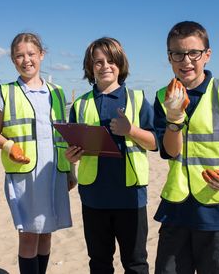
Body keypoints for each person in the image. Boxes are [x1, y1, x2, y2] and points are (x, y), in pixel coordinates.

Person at [65, 37, 157, 274]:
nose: (105, 66)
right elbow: (73, 146)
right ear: (90, 67)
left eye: (110, 60)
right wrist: (72, 156)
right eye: (98, 61)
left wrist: (131, 131)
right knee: (99, 262)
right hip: (94, 196)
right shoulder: (81, 104)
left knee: (136, 263)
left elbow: (155, 143)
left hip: (130, 196)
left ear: (120, 63)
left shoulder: (137, 99)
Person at [0, 32, 77, 274]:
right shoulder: (5, 92)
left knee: (46, 234)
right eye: (19, 55)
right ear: (12, 59)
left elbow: (65, 136)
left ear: (42, 55)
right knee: (28, 235)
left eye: (31, 54)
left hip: (54, 172)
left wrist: (71, 171)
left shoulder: (57, 92)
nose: (26, 60)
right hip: (24, 175)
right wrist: (9, 146)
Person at [153, 21, 219, 274]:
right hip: (176, 211)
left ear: (207, 55)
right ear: (169, 57)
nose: (186, 61)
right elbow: (170, 151)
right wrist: (174, 118)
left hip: (218, 212)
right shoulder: (161, 97)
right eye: (177, 53)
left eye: (193, 53)